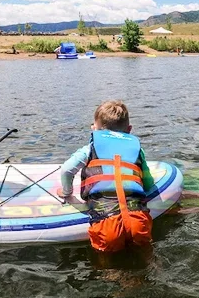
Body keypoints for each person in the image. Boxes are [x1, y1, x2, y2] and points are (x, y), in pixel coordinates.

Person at [57, 100, 155, 252]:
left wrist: (67, 192)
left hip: (106, 221)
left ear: (94, 129)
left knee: (108, 268)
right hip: (138, 218)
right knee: (144, 256)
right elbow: (148, 183)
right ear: (129, 129)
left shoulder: (89, 148)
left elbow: (67, 170)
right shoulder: (137, 150)